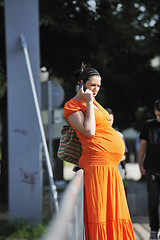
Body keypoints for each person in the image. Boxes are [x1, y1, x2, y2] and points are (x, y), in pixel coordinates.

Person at [64, 64, 135, 239]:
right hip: (97, 165)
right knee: (101, 212)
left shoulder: (94, 102)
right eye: (92, 85)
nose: (96, 89)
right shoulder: (72, 105)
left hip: (110, 166)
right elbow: (89, 131)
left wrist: (91, 102)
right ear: (82, 84)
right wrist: (88, 103)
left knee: (114, 211)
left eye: (98, 86)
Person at [139, 100, 160, 240]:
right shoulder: (148, 125)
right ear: (155, 112)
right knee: (153, 201)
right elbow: (143, 145)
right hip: (151, 168)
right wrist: (140, 163)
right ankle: (153, 230)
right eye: (159, 114)